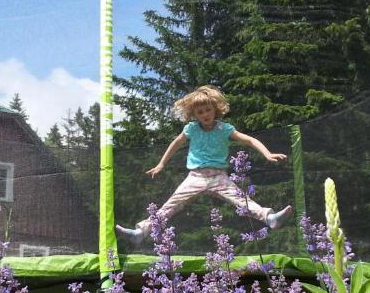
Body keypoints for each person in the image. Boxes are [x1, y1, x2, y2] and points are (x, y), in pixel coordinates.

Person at [116, 85, 292, 244]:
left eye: (208, 110)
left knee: (242, 199)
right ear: (194, 115)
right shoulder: (191, 129)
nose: (205, 115)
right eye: (200, 112)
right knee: (170, 205)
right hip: (195, 177)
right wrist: (161, 164)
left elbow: (250, 140)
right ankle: (141, 232)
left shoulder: (225, 129)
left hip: (218, 176)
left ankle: (270, 218)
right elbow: (175, 144)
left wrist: (267, 153)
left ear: (216, 109)